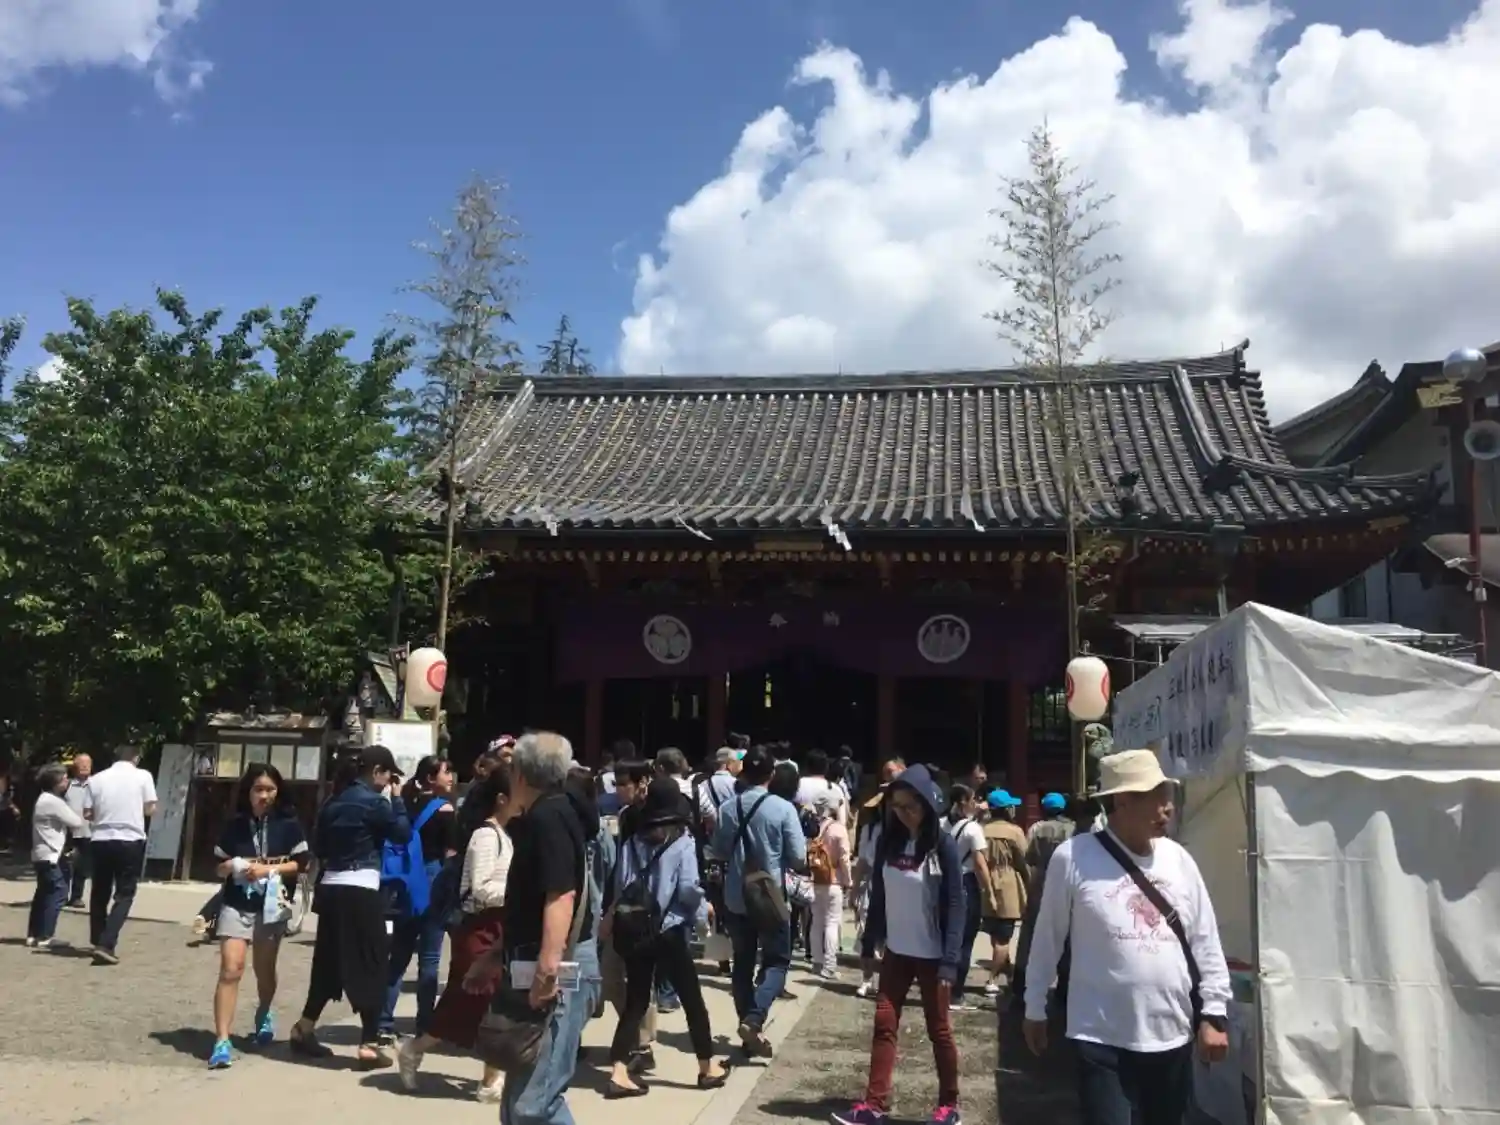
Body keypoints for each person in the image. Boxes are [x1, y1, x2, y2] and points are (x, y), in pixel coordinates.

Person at [1022, 750, 1231, 1125]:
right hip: (1100, 1036)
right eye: (1156, 796)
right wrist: (1034, 1005)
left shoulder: (1179, 859)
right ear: (1121, 801)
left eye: (1167, 795)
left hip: (1171, 1032)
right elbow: (1047, 937)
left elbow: (1205, 939)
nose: (1168, 807)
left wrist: (1214, 1012)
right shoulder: (1073, 857)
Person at [464, 731, 602, 1125]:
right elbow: (529, 904)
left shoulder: (550, 817)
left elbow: (561, 895)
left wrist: (548, 967)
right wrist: (495, 956)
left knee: (534, 1104)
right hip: (534, 961)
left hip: (557, 968)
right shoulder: (551, 813)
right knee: (518, 1100)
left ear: (520, 774)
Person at [834, 765, 965, 1125]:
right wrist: (869, 942)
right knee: (884, 1024)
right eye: (897, 806)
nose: (903, 813)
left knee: (939, 1030)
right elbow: (879, 896)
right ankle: (874, 1104)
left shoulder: (943, 845)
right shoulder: (888, 843)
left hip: (933, 955)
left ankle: (949, 1105)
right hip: (897, 951)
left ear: (927, 804)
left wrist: (950, 960)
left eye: (910, 806)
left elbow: (957, 903)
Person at [603, 778, 730, 1098]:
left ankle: (618, 1070)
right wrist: (701, 915)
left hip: (636, 927)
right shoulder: (682, 841)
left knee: (636, 1001)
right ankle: (707, 1067)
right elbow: (688, 889)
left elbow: (621, 883)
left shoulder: (632, 842)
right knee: (692, 1000)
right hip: (669, 928)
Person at [397, 765, 515, 1101]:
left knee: (493, 1004)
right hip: (479, 928)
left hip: (497, 927)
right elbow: (480, 888)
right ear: (502, 798)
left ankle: (492, 1078)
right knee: (467, 1003)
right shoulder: (486, 836)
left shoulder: (505, 834)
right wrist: (518, 891)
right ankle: (414, 1048)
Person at [291, 745, 411, 1067]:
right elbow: (402, 834)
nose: (388, 783)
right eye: (388, 776)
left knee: (328, 961)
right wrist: (397, 799)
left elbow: (319, 846)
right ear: (377, 772)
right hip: (362, 888)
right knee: (373, 962)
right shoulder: (376, 803)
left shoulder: (333, 802)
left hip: (331, 887)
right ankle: (369, 1042)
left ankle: (304, 1026)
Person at [207, 763, 309, 1068]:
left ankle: (264, 1010)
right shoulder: (234, 825)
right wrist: (231, 866)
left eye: (270, 789)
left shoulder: (289, 824)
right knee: (231, 969)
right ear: (248, 792)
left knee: (264, 969)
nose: (264, 795)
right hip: (236, 903)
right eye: (258, 789)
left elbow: (301, 864)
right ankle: (221, 1040)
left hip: (272, 906)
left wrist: (267, 869)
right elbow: (217, 866)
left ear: (278, 792)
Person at [711, 743, 806, 1058]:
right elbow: (798, 857)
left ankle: (747, 1027)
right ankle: (754, 1018)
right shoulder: (783, 808)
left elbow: (719, 851)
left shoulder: (728, 808)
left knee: (742, 963)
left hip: (736, 896)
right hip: (770, 896)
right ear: (771, 774)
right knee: (777, 961)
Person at [377, 754, 458, 1046]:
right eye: (446, 772)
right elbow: (451, 853)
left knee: (398, 956)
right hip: (433, 882)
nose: (451, 777)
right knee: (430, 958)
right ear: (431, 778)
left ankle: (383, 1022)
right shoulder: (445, 809)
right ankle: (424, 1024)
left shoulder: (405, 805)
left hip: (406, 883)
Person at [85, 744, 158, 964]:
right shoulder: (143, 776)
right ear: (136, 757)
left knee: (100, 891)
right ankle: (106, 943)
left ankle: (97, 937)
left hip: (101, 838)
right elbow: (150, 809)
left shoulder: (96, 779)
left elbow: (87, 813)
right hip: (130, 838)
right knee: (125, 893)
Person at [852, 757, 904, 999]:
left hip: (897, 885)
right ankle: (866, 978)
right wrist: (854, 888)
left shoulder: (906, 830)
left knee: (891, 938)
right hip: (873, 883)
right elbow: (863, 860)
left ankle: (887, 981)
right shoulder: (870, 829)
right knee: (868, 935)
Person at [941, 784, 993, 1012]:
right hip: (966, 884)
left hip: (943, 884)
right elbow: (980, 864)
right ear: (963, 801)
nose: (976, 803)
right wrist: (989, 893)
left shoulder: (940, 824)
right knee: (965, 940)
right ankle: (956, 994)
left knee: (946, 937)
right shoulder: (973, 829)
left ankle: (941, 990)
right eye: (973, 800)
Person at [28, 763, 85, 949]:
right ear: (55, 782)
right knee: (58, 892)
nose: (67, 781)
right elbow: (75, 821)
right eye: (64, 779)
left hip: (42, 853)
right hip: (50, 853)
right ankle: (46, 935)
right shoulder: (53, 801)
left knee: (43, 893)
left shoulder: (43, 799)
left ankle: (34, 934)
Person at [978, 789, 1029, 997]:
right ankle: (992, 980)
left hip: (985, 881)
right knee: (1005, 937)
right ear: (1006, 809)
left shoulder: (981, 829)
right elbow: (1024, 860)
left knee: (994, 931)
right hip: (1008, 883)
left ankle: (1007, 972)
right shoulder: (1014, 831)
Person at [808, 788, 852, 980]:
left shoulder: (812, 827)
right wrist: (848, 881)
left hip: (814, 880)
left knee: (817, 921)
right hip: (833, 881)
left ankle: (817, 962)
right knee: (832, 923)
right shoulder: (838, 829)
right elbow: (844, 858)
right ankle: (829, 966)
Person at [63, 754, 93, 907]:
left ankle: (76, 896)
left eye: (88, 764)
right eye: (82, 764)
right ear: (75, 767)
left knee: (82, 867)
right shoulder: (67, 785)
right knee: (65, 865)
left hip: (88, 832)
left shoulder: (96, 785)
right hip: (67, 832)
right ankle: (61, 895)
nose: (85, 766)